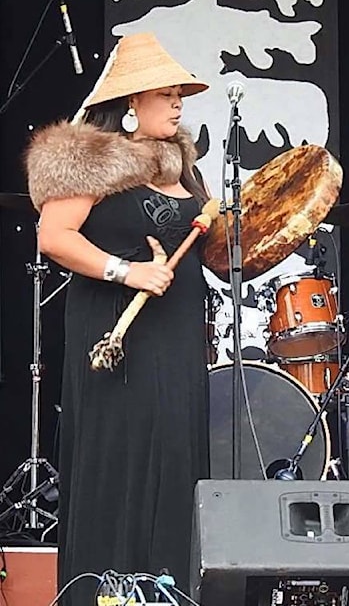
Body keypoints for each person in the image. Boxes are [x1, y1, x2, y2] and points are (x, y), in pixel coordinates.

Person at [25, 32, 210, 602]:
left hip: (175, 334)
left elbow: (210, 254)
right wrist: (124, 272)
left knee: (176, 457)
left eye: (181, 93)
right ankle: (106, 593)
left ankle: (169, 591)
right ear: (132, 103)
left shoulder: (185, 167)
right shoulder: (88, 158)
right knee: (123, 459)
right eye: (167, 93)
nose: (179, 103)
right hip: (117, 336)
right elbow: (52, 237)